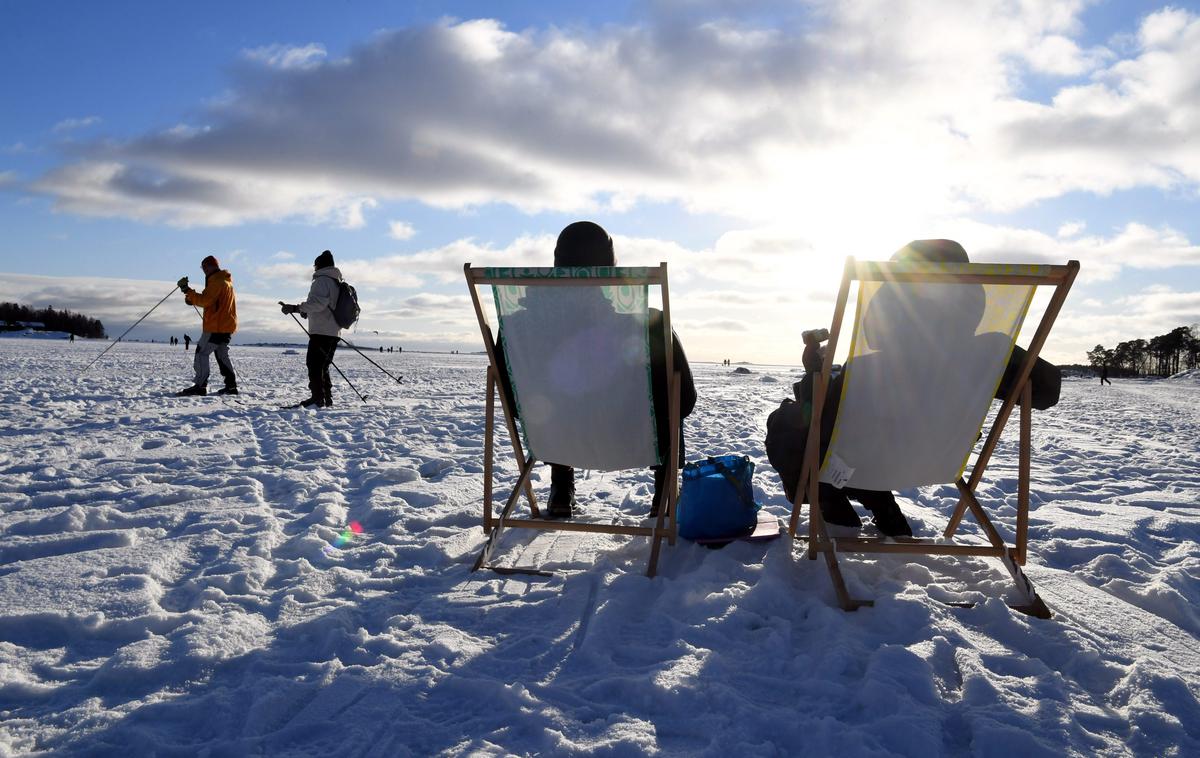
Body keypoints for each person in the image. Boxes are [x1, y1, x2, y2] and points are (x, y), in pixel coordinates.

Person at [766, 239, 1062, 537]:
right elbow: (1048, 391)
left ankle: (835, 508)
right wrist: (993, 364)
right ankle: (883, 508)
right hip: (940, 459)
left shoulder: (869, 367)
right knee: (844, 435)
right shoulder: (991, 353)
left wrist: (814, 373)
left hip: (873, 457)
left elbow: (818, 421)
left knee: (786, 424)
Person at [493, 221, 697, 519]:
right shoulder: (647, 327)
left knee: (556, 402)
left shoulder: (518, 327)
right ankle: (664, 494)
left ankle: (561, 490)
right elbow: (685, 400)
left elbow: (513, 402)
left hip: (553, 433)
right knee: (669, 388)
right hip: (631, 433)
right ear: (609, 269)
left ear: (557, 264)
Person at [280, 250, 343, 408]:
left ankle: (317, 398)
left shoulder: (322, 280)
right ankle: (325, 398)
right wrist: (305, 311)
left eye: (315, 265)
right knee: (323, 366)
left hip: (321, 331)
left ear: (319, 265)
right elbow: (324, 306)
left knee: (314, 365)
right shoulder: (335, 281)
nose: (314, 268)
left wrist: (296, 308)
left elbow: (318, 304)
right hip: (333, 331)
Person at [176, 256, 238, 396]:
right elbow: (210, 301)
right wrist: (191, 297)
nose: (203, 270)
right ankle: (231, 386)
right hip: (226, 327)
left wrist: (188, 290)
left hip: (215, 327)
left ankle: (200, 385)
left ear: (210, 266)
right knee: (222, 355)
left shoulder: (217, 282)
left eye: (204, 267)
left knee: (201, 353)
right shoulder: (225, 282)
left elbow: (205, 301)